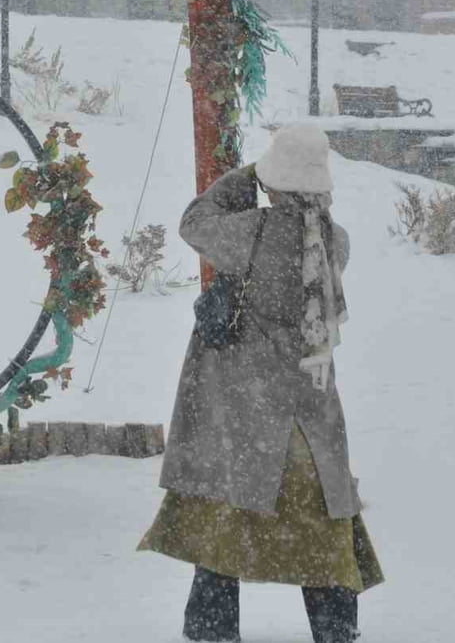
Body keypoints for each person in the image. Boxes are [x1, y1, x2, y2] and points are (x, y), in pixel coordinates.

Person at [138, 125, 383, 643]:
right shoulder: (335, 244)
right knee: (322, 536)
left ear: (275, 182)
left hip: (248, 419)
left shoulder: (251, 233)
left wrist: (245, 175)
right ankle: (337, 631)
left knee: (224, 521)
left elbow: (194, 221)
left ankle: (213, 630)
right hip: (311, 426)